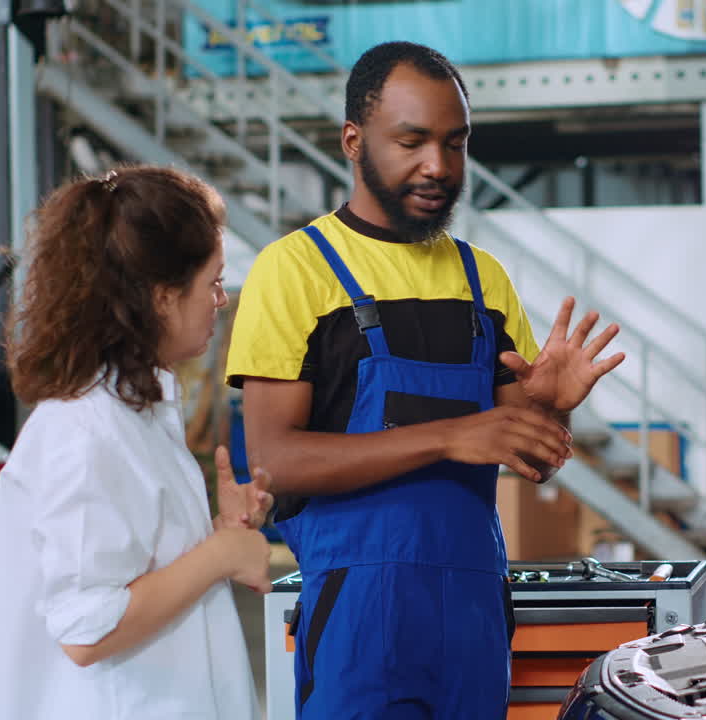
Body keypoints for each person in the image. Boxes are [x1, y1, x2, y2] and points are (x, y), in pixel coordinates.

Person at [226, 41, 624, 719]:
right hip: (358, 620)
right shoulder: (294, 271)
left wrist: (549, 413)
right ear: (353, 141)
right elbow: (275, 461)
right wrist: (448, 437)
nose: (437, 166)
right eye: (411, 141)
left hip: (472, 617)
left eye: (454, 143)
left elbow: (528, 461)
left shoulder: (484, 280)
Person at [0, 166, 274, 720]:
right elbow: (86, 629)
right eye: (213, 282)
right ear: (163, 298)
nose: (220, 300)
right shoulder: (83, 430)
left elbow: (140, 570)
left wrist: (220, 537)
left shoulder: (136, 414)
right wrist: (219, 557)